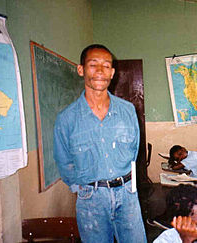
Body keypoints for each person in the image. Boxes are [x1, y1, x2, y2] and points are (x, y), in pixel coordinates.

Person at [53, 44, 146, 242]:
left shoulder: (128, 110)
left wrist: (128, 186)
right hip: (91, 200)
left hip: (128, 195)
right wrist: (84, 189)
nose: (100, 71)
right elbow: (64, 163)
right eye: (93, 65)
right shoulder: (66, 119)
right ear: (81, 70)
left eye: (106, 65)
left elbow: (134, 151)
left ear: (113, 73)